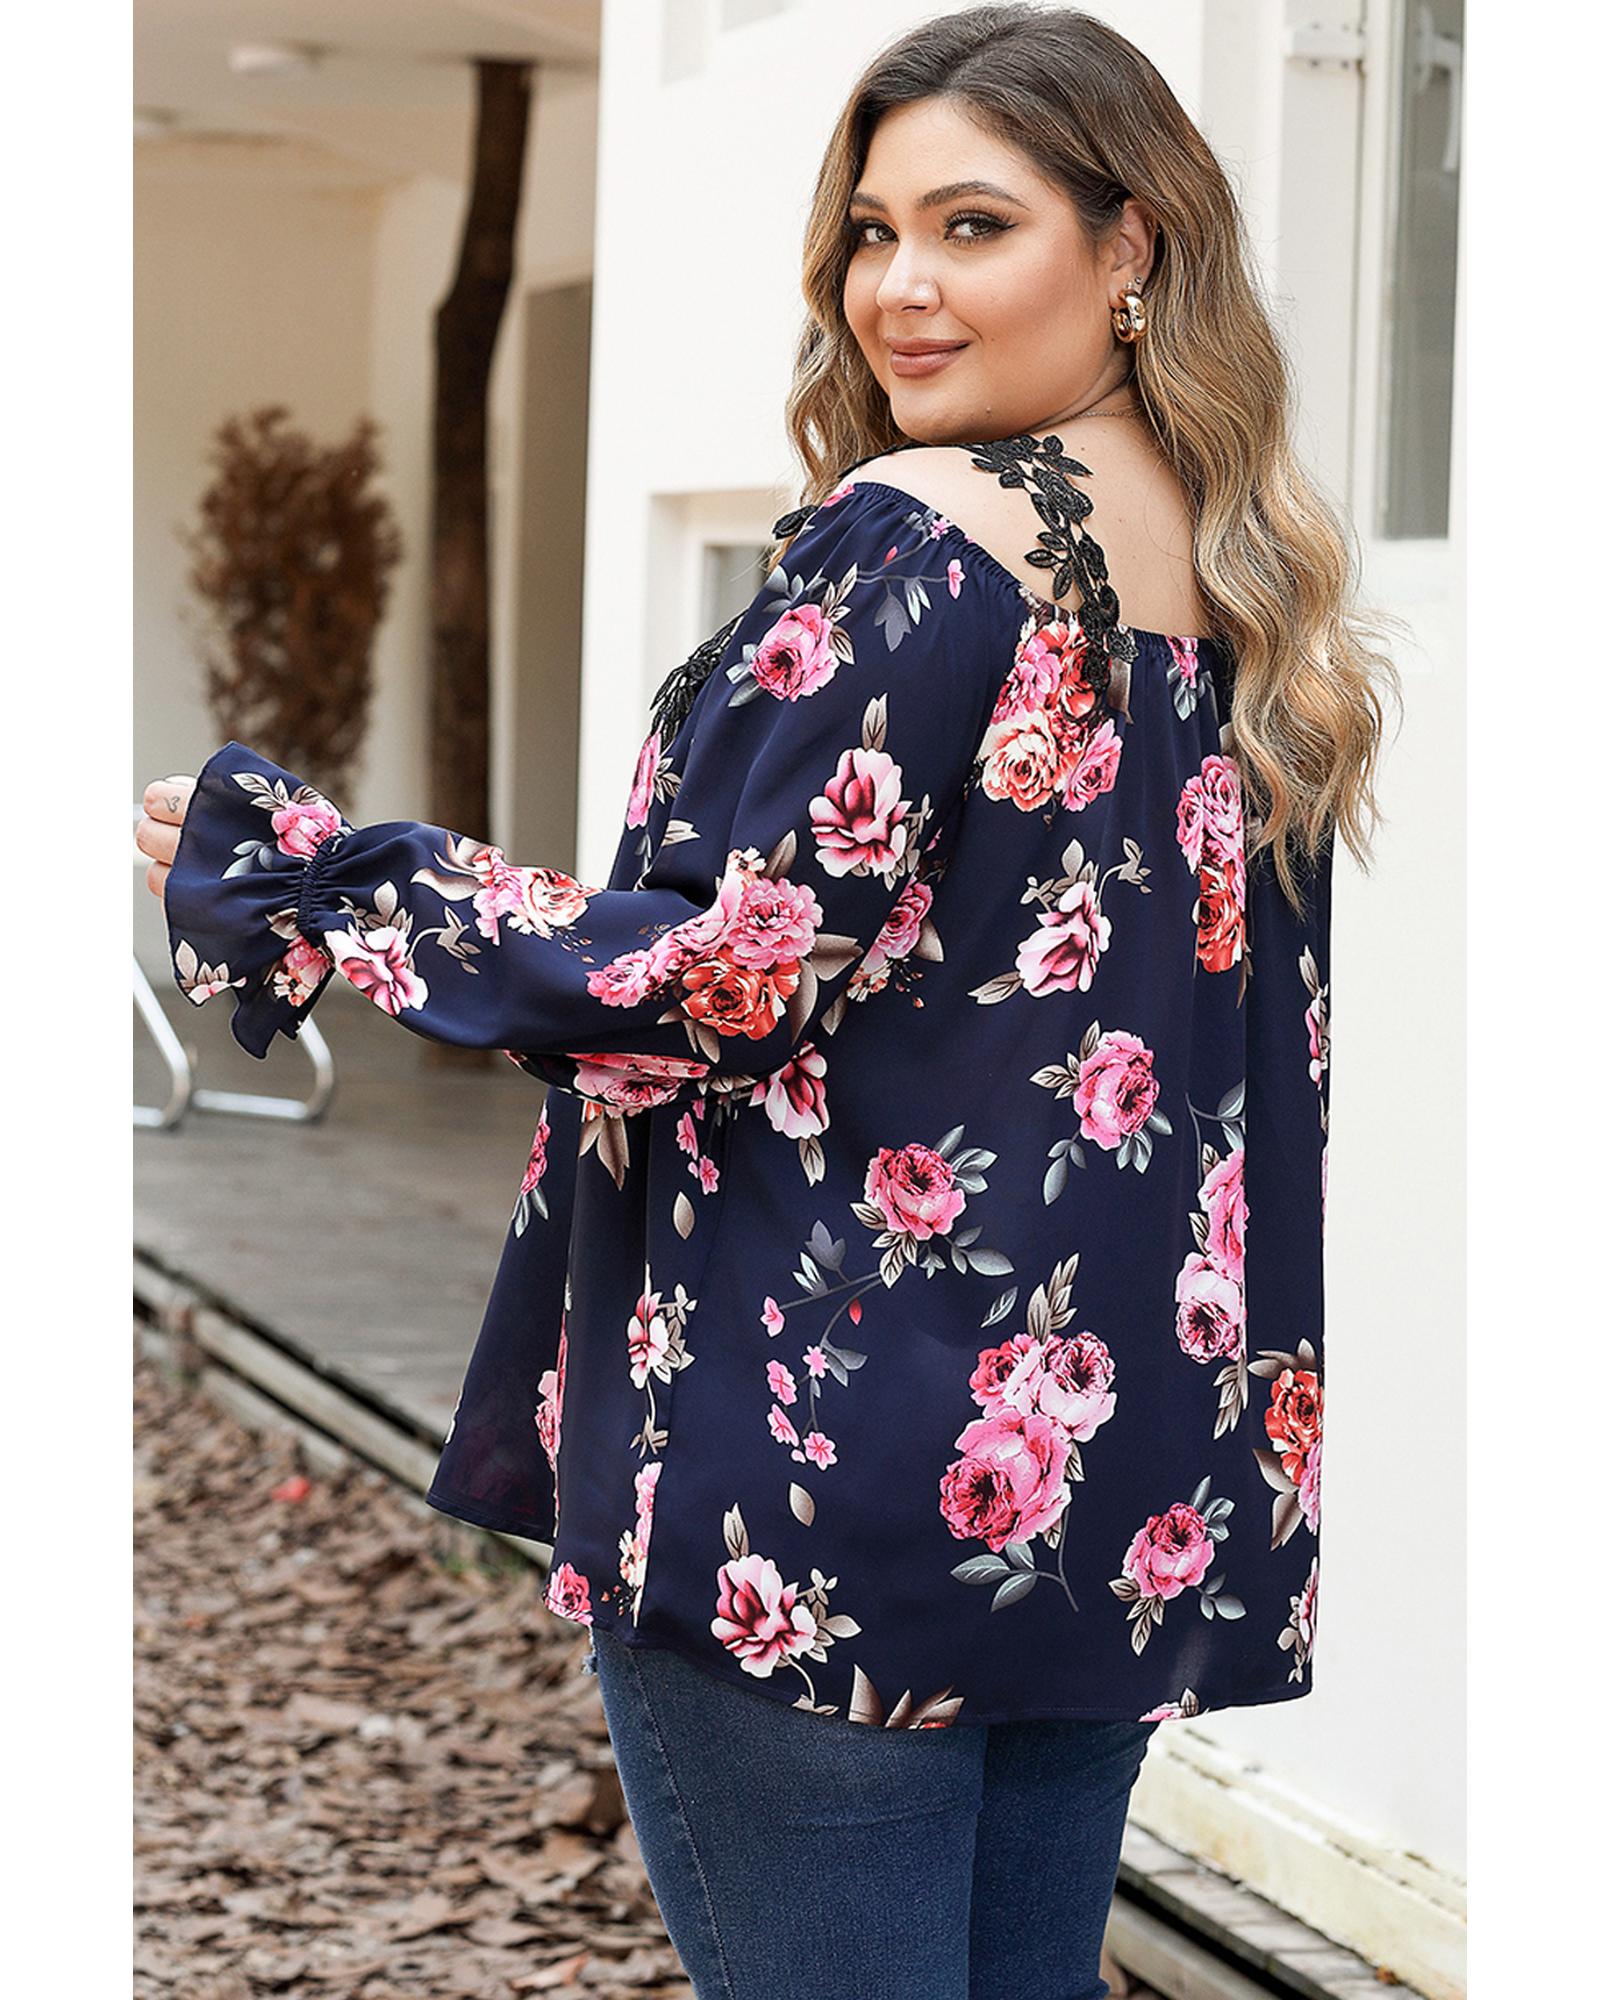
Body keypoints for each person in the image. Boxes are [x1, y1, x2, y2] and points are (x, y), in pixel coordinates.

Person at [137, 7, 1401, 1996]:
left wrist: (322, 880)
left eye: (972, 225)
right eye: (872, 232)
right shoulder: (1241, 593)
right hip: (1107, 1487)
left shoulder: (919, 544)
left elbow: (715, 984)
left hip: (825, 1483)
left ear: (1130, 244)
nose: (897, 287)